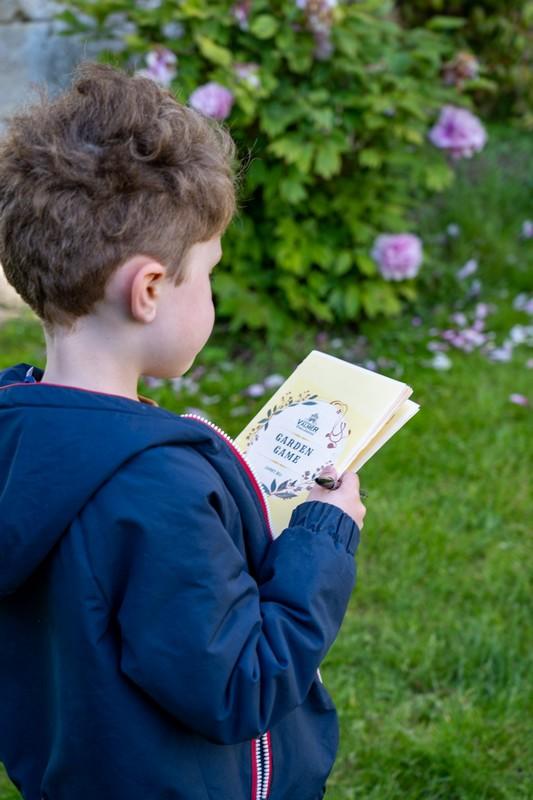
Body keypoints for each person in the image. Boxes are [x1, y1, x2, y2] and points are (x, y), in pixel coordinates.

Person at [0, 62, 366, 800]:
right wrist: (322, 539)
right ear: (150, 289)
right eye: (208, 273)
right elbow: (239, 684)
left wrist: (177, 453)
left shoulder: (19, 430)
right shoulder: (155, 487)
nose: (212, 293)